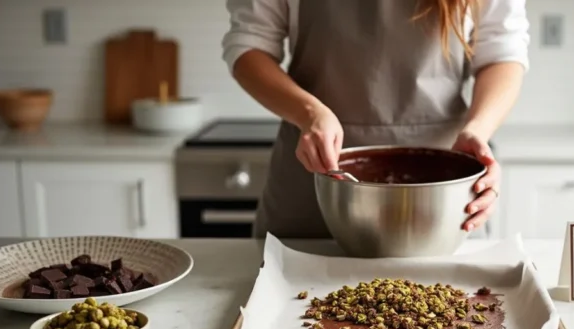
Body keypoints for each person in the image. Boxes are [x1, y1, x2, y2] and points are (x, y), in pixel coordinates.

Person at [222, 0, 529, 239]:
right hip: (315, 180)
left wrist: (478, 129)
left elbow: (503, 54)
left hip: (445, 186)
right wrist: (310, 113)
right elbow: (250, 46)